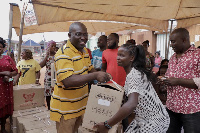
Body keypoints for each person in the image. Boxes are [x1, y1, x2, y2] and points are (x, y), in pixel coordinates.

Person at [50, 22, 111, 133]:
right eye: (78, 34)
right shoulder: (63, 54)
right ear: (69, 35)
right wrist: (96, 75)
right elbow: (68, 81)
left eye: (85, 34)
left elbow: (89, 68)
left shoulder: (83, 51)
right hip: (66, 110)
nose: (83, 38)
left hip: (80, 106)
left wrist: (102, 78)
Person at [94, 44, 170, 133]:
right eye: (118, 55)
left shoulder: (134, 75)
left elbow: (131, 104)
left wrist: (107, 125)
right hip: (144, 118)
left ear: (132, 58)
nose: (118, 58)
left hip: (154, 121)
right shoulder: (134, 72)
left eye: (122, 55)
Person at [163, 28, 200, 133]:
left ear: (184, 40)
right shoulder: (173, 57)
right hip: (172, 107)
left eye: (173, 41)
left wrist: (178, 81)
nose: (171, 45)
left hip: (191, 109)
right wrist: (164, 81)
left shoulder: (197, 54)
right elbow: (169, 75)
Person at [0, 37, 18, 133]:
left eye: (1, 47)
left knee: (4, 108)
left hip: (6, 87)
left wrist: (10, 76)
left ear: (3, 48)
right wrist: (4, 73)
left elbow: (15, 72)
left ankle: (3, 128)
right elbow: (6, 72)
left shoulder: (8, 58)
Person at [39, 40, 56, 110]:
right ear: (48, 47)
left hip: (55, 78)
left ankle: (55, 108)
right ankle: (49, 108)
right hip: (48, 78)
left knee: (55, 93)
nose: (54, 47)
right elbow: (40, 65)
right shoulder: (46, 57)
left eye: (55, 46)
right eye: (52, 46)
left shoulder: (57, 56)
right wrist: (46, 56)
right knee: (48, 94)